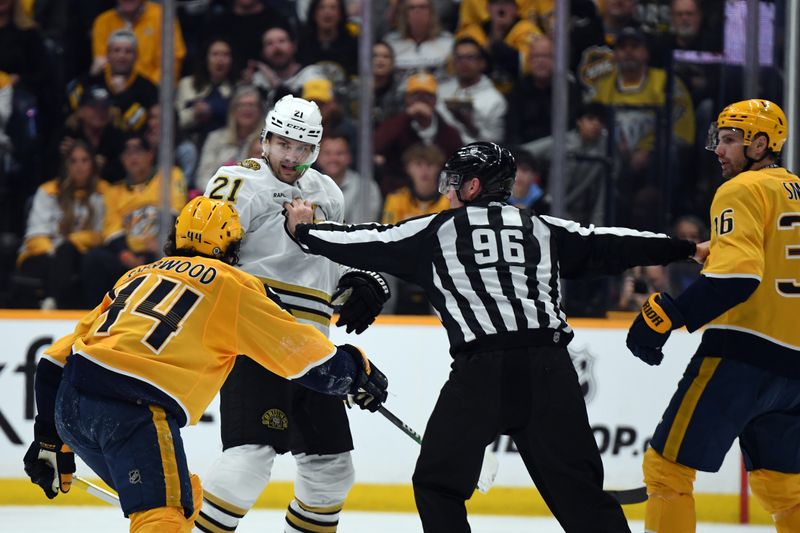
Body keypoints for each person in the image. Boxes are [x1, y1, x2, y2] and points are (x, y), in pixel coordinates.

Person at [284, 141, 705, 532]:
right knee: (582, 498)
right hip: (551, 370)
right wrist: (684, 248)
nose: (447, 193)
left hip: (480, 374)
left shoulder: (436, 230)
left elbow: (367, 239)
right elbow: (614, 242)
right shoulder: (540, 227)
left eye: (453, 183)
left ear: (471, 185)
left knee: (438, 485)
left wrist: (305, 232)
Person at [22, 196, 388, 533]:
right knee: (164, 517)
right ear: (232, 249)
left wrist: (49, 439)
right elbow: (301, 354)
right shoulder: (231, 283)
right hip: (133, 411)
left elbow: (53, 362)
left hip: (72, 404)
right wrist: (354, 371)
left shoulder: (136, 276)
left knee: (187, 498)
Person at [196, 95, 391, 533]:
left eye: (303, 148)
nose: (292, 155)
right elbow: (204, 254)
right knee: (250, 459)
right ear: (266, 139)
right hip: (258, 337)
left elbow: (330, 264)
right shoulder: (237, 181)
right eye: (284, 143)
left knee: (332, 472)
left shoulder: (328, 192)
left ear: (316, 150)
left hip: (312, 349)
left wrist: (358, 278)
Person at [625, 99, 800, 532]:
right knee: (785, 490)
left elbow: (739, 278)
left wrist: (672, 316)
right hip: (795, 369)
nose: (719, 150)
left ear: (760, 144)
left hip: (739, 357)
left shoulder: (741, 189)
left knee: (667, 472)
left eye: (729, 140)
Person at [14, 141, 107, 309]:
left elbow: (100, 233)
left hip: (80, 255)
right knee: (57, 260)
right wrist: (54, 252)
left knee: (71, 253)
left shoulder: (103, 192)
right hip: (44, 254)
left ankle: (51, 301)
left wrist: (72, 242)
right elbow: (36, 233)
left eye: (85, 160)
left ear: (93, 164)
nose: (79, 166)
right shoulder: (48, 191)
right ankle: (51, 302)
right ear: (66, 165)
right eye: (73, 161)